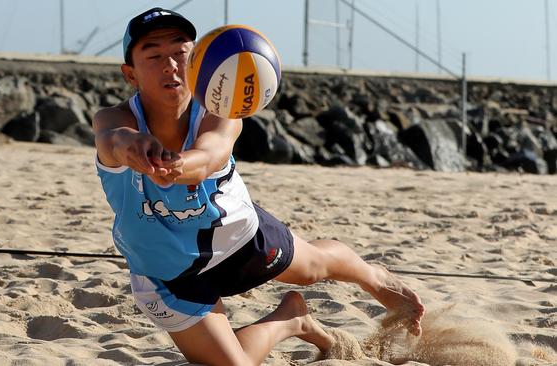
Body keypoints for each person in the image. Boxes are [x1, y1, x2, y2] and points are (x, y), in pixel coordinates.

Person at [93, 7, 425, 365]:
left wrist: (173, 167)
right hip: (169, 271)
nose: (170, 64)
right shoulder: (115, 119)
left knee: (313, 266)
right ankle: (291, 319)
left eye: (179, 52)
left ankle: (373, 277)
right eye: (154, 55)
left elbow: (209, 156)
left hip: (235, 234)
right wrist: (138, 150)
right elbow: (115, 140)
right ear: (130, 73)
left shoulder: (220, 111)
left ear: (196, 61)